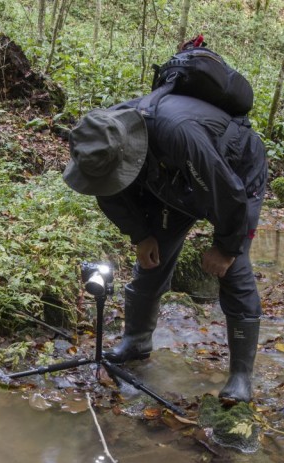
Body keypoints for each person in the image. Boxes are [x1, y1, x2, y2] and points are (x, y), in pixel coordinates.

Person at [61, 83, 268, 404]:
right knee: (150, 259)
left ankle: (241, 375)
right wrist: (142, 236)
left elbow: (230, 196)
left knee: (234, 269)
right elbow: (109, 195)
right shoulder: (103, 138)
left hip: (234, 172)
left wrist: (226, 249)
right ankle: (137, 340)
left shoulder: (180, 134)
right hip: (172, 182)